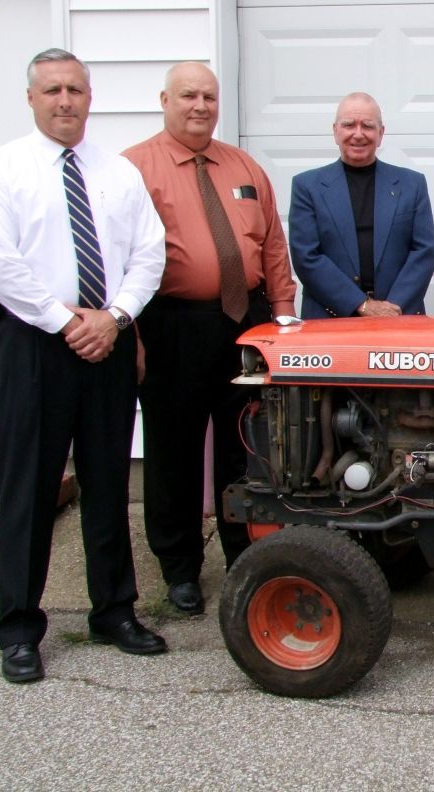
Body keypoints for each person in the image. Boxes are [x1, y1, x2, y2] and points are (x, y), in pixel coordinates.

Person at [0, 48, 168, 682]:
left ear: (89, 95)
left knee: (107, 482)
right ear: (31, 98)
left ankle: (113, 610)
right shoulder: (0, 169)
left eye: (75, 89)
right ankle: (20, 628)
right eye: (52, 89)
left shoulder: (117, 173)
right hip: (33, 347)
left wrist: (116, 318)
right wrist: (65, 320)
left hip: (105, 341)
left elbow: (149, 253)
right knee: (26, 485)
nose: (65, 100)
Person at [123, 62, 297, 615]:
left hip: (244, 322)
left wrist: (284, 319)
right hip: (170, 324)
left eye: (209, 96)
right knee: (173, 451)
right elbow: (119, 257)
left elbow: (271, 245)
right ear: (164, 100)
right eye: (188, 96)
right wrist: (131, 333)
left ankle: (243, 556)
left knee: (245, 448)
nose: (200, 105)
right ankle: (179, 570)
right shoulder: (134, 168)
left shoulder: (243, 166)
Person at [289, 92, 434, 318]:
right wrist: (362, 305)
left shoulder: (412, 184)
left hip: (398, 317)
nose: (358, 134)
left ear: (381, 133)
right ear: (335, 131)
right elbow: (306, 256)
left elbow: (423, 252)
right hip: (330, 318)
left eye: (367, 126)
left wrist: (391, 309)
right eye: (349, 125)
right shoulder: (307, 186)